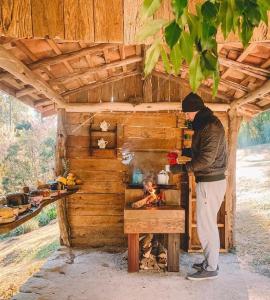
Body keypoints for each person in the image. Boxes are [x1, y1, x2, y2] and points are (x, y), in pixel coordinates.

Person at [171, 92, 227, 281]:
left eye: (186, 113)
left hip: (211, 183)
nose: (185, 116)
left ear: (194, 110)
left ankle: (211, 268)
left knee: (206, 226)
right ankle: (209, 262)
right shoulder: (205, 124)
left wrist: (182, 168)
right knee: (206, 224)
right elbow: (200, 150)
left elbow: (205, 159)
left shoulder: (210, 126)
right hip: (209, 181)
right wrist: (183, 151)